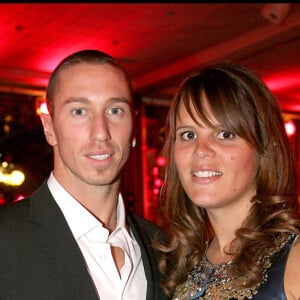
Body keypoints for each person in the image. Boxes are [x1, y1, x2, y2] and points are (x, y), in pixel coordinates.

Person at [0, 49, 167, 300]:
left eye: (115, 111)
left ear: (132, 127)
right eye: (79, 111)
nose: (100, 132)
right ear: (49, 128)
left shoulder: (165, 250)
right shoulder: (6, 240)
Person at [154, 62, 300, 299]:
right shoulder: (184, 267)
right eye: (188, 135)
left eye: (225, 134)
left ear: (263, 148)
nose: (200, 150)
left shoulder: (294, 260)